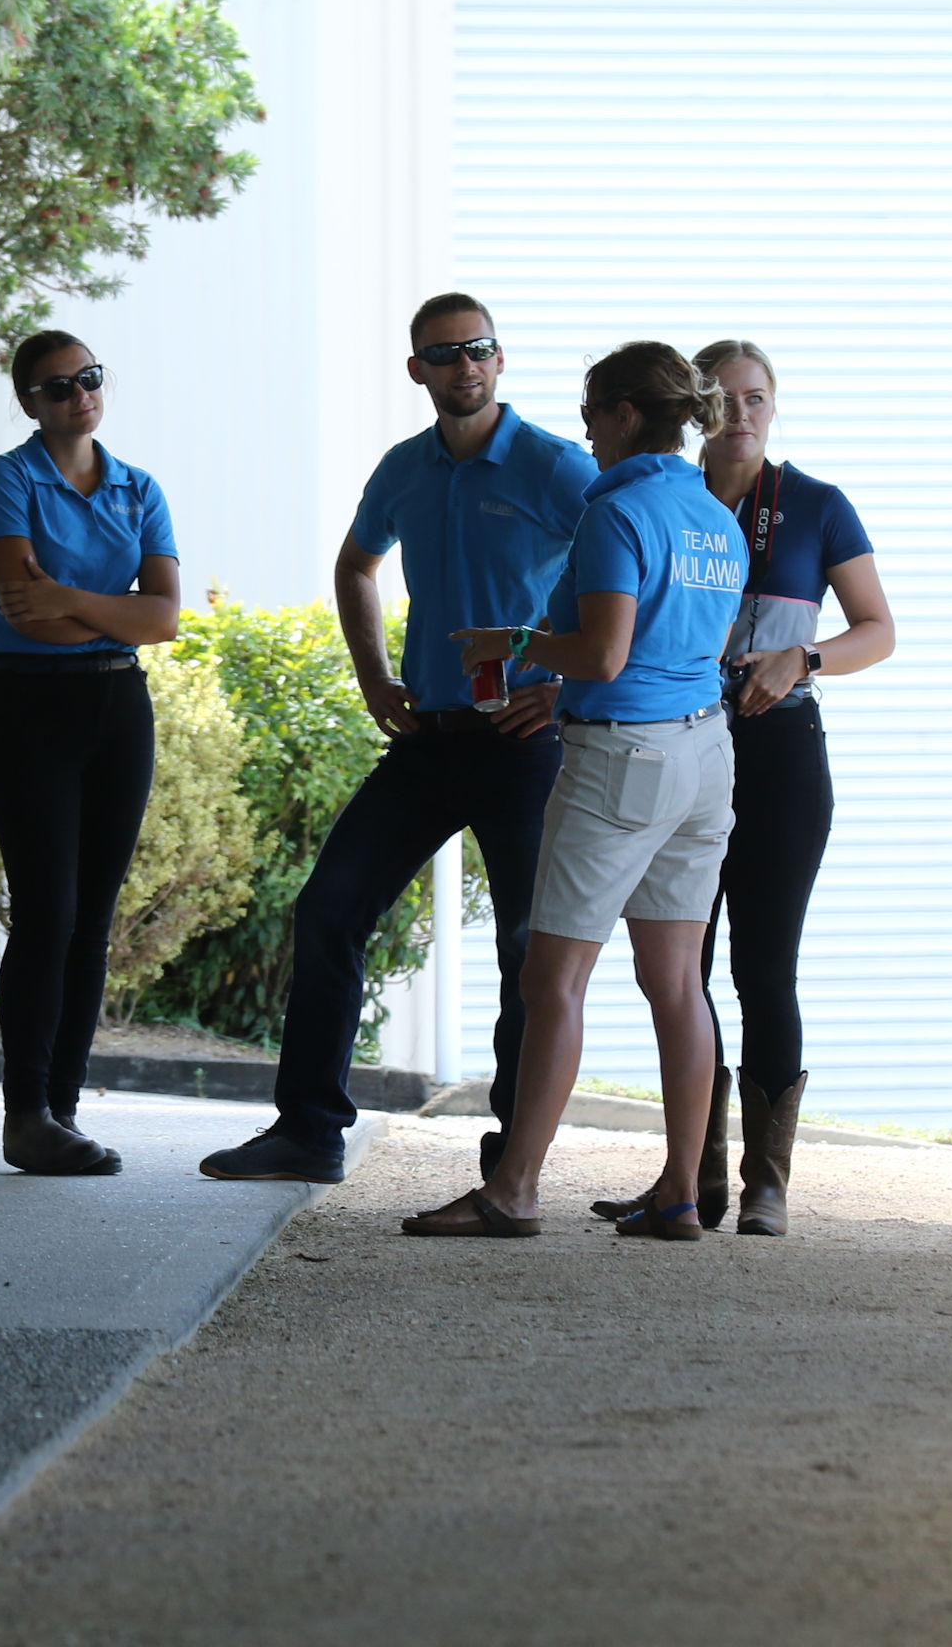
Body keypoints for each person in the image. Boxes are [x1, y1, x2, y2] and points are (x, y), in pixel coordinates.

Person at [200, 293, 598, 1186]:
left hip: (526, 742)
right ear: (417, 369)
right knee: (328, 910)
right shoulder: (405, 468)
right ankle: (308, 1134)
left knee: (528, 949)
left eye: (479, 349)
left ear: (500, 359)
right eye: (445, 354)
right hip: (429, 739)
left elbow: (629, 581)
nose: (465, 366)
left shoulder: (555, 468)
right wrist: (374, 676)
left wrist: (566, 690)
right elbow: (357, 564)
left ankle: (512, 1161)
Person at [401, 341, 746, 1241]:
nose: (586, 432)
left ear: (625, 415)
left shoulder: (617, 512)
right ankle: (681, 1190)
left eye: (592, 412)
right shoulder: (714, 516)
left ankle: (513, 1189)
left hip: (622, 759)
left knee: (553, 976)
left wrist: (511, 642)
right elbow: (692, 645)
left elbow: (603, 653)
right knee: (677, 982)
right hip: (705, 754)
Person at [593, 338, 891, 1236]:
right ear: (695, 410)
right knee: (676, 970)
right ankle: (693, 1178)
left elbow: (878, 629)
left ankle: (767, 1184)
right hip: (680, 744)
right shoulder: (662, 499)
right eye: (722, 399)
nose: (741, 414)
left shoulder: (816, 505)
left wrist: (805, 657)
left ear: (774, 405)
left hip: (780, 755)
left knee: (764, 969)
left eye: (757, 397)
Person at [0, 333, 182, 1177]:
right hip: (26, 705)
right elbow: (26, 614)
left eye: (89, 378)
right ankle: (25, 1115)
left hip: (118, 707)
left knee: (92, 921)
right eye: (58, 387)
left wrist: (69, 597)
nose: (79, 395)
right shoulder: (6, 478)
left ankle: (62, 1110)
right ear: (30, 401)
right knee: (46, 912)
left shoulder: (140, 487)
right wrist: (110, 609)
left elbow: (163, 619)